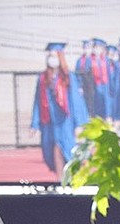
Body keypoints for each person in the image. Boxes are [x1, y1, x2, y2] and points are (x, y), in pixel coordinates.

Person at [29, 42, 88, 176]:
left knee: (65, 150)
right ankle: (61, 182)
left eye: (54, 56)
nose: (52, 59)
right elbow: (37, 102)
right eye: (50, 56)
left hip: (66, 122)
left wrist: (79, 124)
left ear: (60, 57)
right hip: (49, 122)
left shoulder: (68, 77)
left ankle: (66, 180)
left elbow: (76, 101)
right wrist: (35, 124)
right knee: (51, 150)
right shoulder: (43, 78)